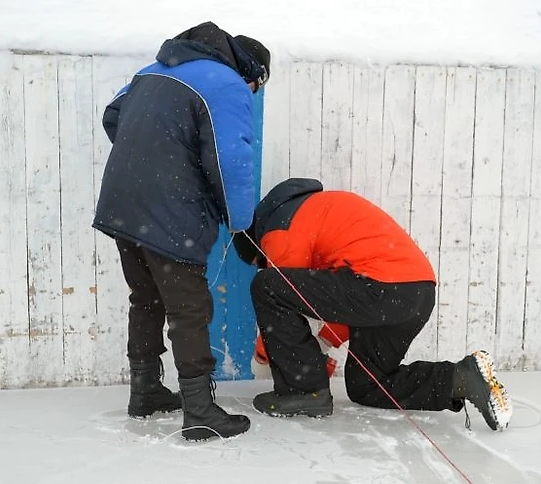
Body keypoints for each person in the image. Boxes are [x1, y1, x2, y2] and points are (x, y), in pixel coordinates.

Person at [92, 21, 270, 441]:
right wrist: (241, 221)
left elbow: (113, 115)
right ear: (252, 74)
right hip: (169, 210)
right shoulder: (226, 84)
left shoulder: (154, 69)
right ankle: (200, 410)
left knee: (147, 298)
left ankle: (146, 391)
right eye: (256, 87)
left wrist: (157, 157)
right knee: (189, 308)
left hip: (123, 203)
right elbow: (232, 160)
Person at [233, 178, 512, 431]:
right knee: (368, 385)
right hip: (415, 293)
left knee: (267, 285)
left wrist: (265, 356)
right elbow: (340, 299)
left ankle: (304, 392)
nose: (266, 262)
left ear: (257, 243)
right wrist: (324, 343)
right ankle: (460, 378)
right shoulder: (318, 210)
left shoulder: (280, 229)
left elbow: (285, 291)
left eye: (261, 260)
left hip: (380, 287)